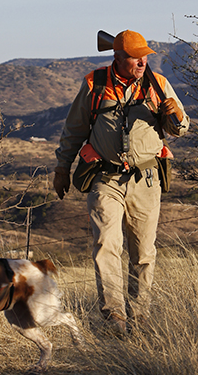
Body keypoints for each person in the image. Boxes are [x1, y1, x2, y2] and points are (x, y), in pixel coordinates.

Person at [53, 30, 189, 333]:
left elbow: (180, 128)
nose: (142, 61)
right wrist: (62, 167)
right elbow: (74, 129)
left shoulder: (159, 85)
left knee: (143, 252)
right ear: (117, 57)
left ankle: (139, 317)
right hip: (105, 178)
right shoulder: (95, 84)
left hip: (146, 179)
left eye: (144, 56)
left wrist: (175, 114)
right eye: (134, 56)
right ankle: (114, 316)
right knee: (106, 245)